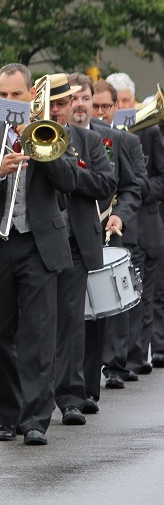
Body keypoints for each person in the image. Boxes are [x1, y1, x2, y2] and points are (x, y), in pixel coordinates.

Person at [0, 63, 79, 446]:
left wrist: (39, 147)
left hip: (38, 246)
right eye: (3, 96)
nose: (10, 101)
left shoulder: (54, 134)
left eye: (17, 95)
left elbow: (70, 182)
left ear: (31, 98)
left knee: (40, 336)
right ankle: (7, 412)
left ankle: (36, 419)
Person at [44, 74, 114, 427]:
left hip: (73, 243)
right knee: (37, 323)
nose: (57, 110)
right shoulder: (30, 137)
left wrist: (69, 171)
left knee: (71, 322)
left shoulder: (88, 141)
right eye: (51, 104)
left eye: (62, 103)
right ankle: (31, 400)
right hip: (37, 242)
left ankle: (71, 396)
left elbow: (106, 183)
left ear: (72, 104)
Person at [82, 78, 144, 401]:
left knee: (107, 304)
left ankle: (112, 366)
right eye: (96, 106)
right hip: (75, 231)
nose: (101, 111)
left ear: (115, 107)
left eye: (106, 106)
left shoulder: (117, 140)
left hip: (110, 227)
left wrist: (121, 214)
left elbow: (135, 187)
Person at [105, 73, 164, 378]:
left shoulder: (150, 132)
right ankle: (120, 358)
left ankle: (136, 357)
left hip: (145, 226)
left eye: (127, 101)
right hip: (116, 226)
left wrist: (133, 191)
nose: (124, 107)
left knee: (142, 295)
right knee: (117, 296)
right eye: (120, 102)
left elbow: (160, 180)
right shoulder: (103, 134)